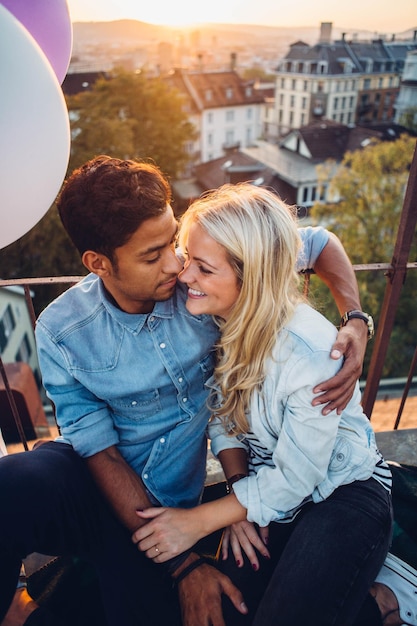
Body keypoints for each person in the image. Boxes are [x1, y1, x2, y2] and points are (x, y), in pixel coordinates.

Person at [0, 156, 368, 626]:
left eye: (172, 241)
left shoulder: (203, 278)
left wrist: (356, 320)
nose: (176, 263)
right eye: (153, 256)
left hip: (173, 505)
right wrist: (184, 563)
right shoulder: (63, 330)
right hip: (96, 481)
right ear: (98, 264)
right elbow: (99, 453)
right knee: (11, 484)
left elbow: (319, 243)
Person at [132, 183, 405, 625]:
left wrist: (199, 522)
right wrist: (240, 497)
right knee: (226, 610)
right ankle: (364, 602)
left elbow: (298, 476)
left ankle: (379, 605)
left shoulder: (312, 354)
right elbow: (223, 420)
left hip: (341, 495)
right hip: (263, 487)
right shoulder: (218, 318)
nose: (184, 278)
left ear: (251, 275)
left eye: (202, 268)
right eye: (188, 260)